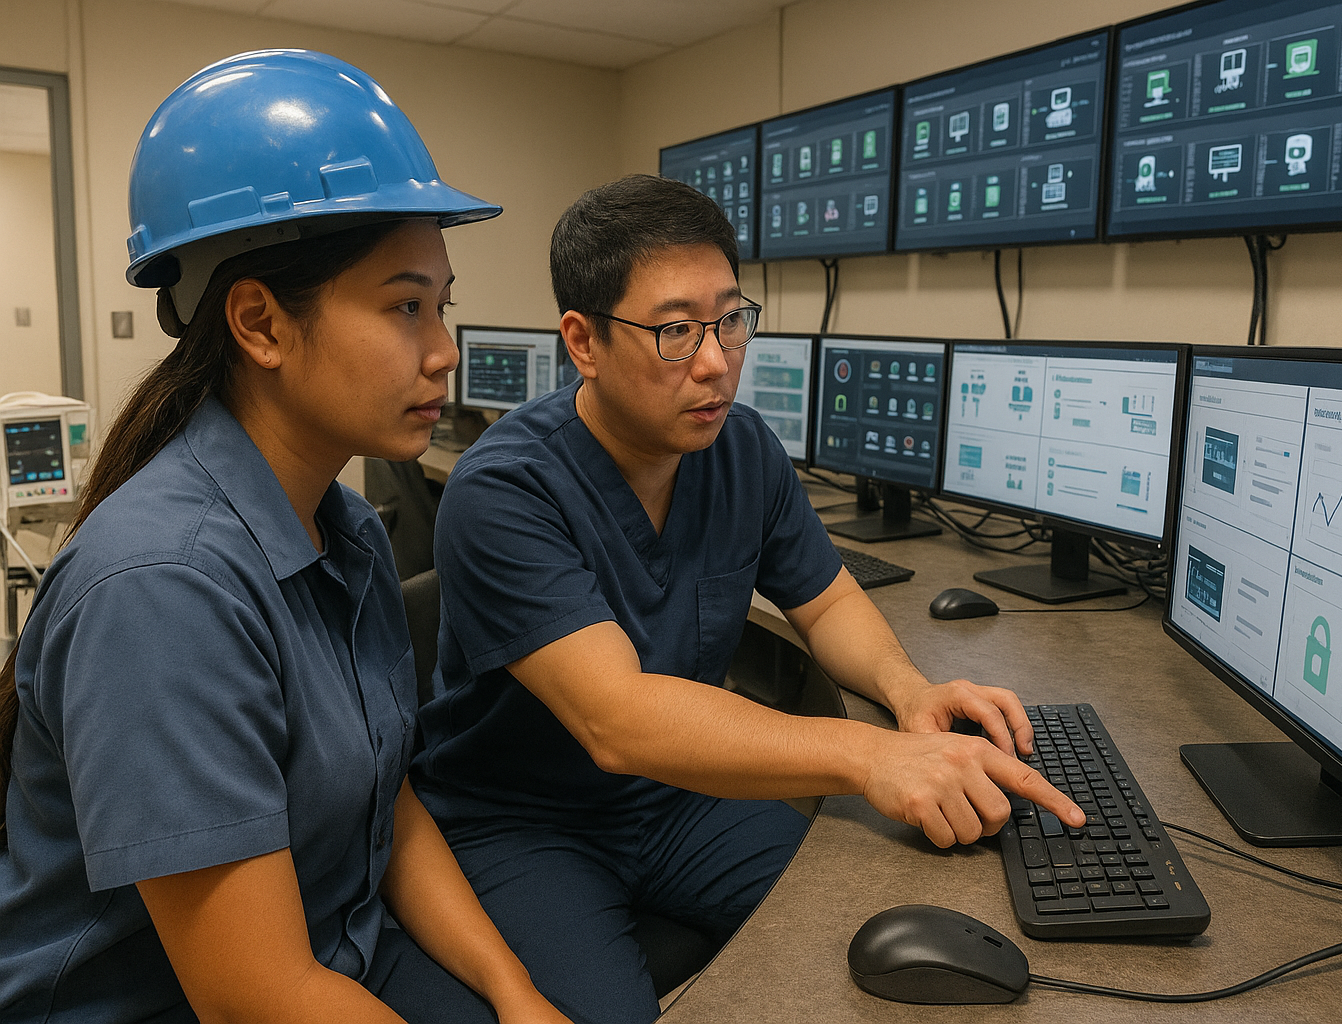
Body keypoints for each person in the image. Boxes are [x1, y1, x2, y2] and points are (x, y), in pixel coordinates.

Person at [411, 173, 1085, 1024]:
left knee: (867, 930)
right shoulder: (504, 489)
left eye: (731, 320)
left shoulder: (740, 448)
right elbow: (618, 721)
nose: (716, 361)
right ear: (582, 342)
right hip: (523, 821)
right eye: (676, 331)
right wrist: (867, 755)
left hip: (678, 797)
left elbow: (827, 602)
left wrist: (911, 695)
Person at [0, 50, 568, 1024]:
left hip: (334, 957)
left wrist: (517, 993)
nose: (444, 351)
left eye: (443, 304)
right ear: (260, 322)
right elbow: (254, 994)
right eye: (403, 306)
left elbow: (383, 801)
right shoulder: (162, 589)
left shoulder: (343, 528)